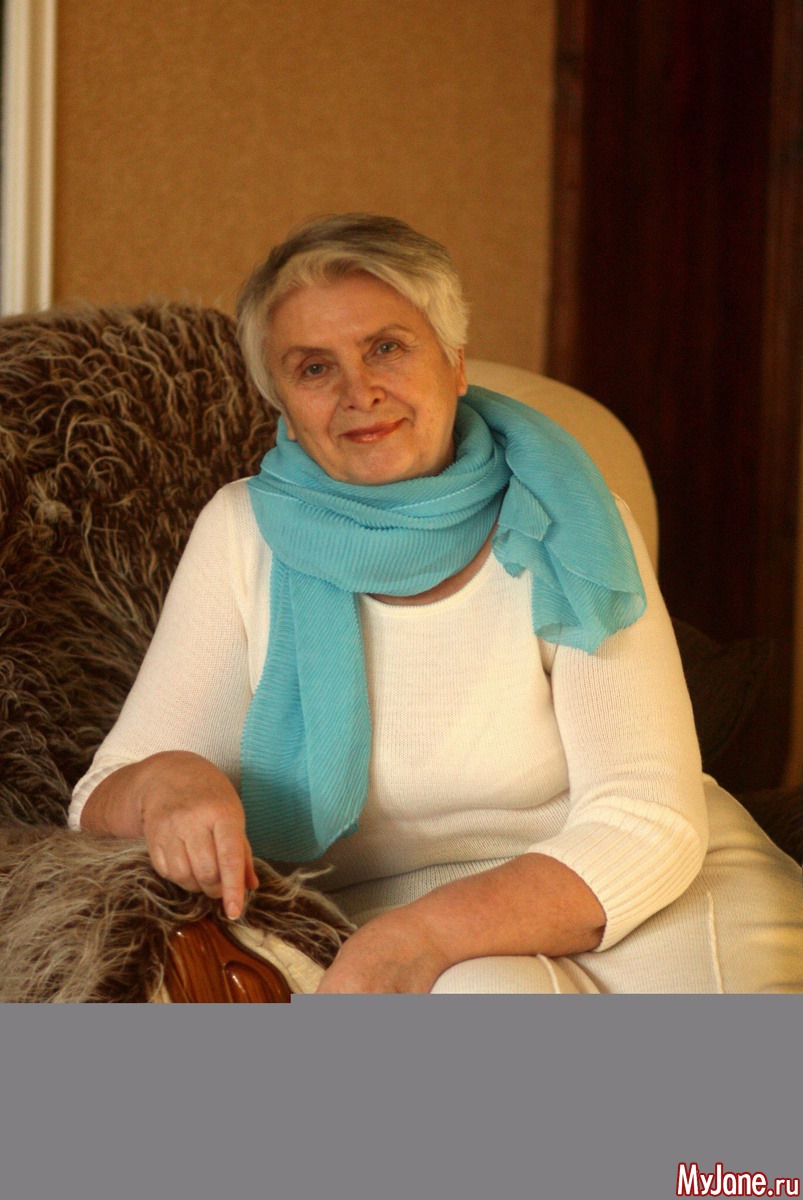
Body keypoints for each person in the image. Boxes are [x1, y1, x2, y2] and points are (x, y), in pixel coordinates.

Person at [69, 213, 803, 993]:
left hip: (641, 887)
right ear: (280, 401)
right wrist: (168, 784)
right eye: (313, 368)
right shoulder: (240, 532)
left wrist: (416, 937)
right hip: (389, 921)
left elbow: (646, 819)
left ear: (454, 362)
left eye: (386, 347)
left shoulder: (574, 520)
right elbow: (100, 794)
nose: (359, 391)